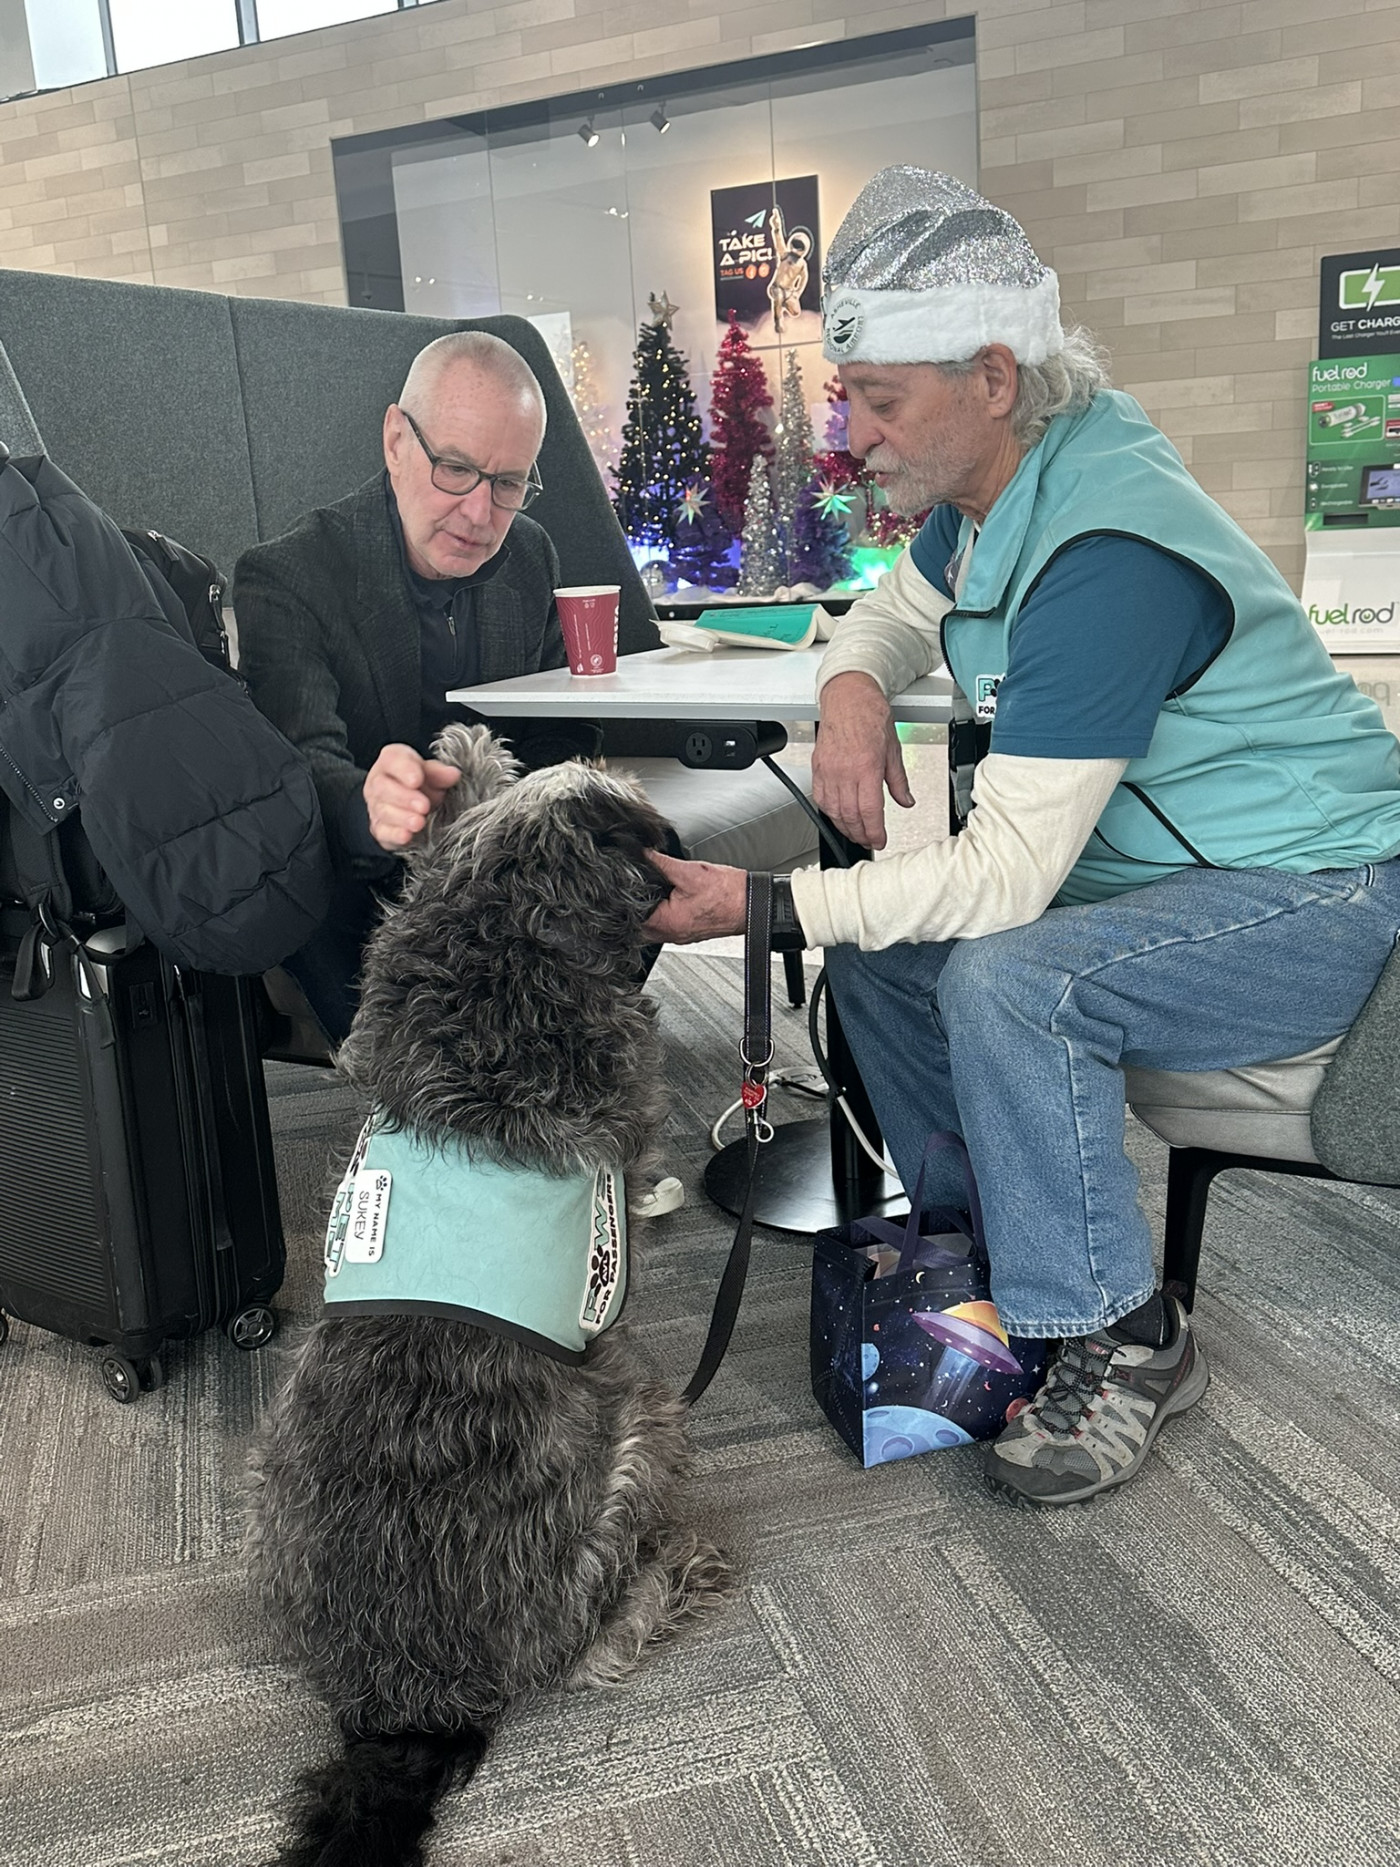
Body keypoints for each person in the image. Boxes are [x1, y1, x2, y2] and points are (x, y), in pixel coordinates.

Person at [646, 167, 1400, 1509]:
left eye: (880, 401)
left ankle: (1127, 1330)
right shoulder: (993, 492)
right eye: (848, 396)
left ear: (991, 376)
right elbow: (888, 613)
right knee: (886, 964)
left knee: (1012, 975)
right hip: (1172, 881)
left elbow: (1003, 878)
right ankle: (992, 1257)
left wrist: (766, 907)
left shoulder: (1106, 554)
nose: (852, 436)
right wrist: (852, 688)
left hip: (1318, 889)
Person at [235, 331, 601, 1042]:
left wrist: (528, 824)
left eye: (508, 484)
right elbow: (302, 763)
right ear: (396, 442)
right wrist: (375, 808)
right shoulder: (291, 574)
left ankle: (553, 1053)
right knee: (319, 899)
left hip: (502, 855)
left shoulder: (530, 554)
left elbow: (559, 729)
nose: (480, 514)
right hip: (363, 873)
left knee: (642, 852)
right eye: (456, 469)